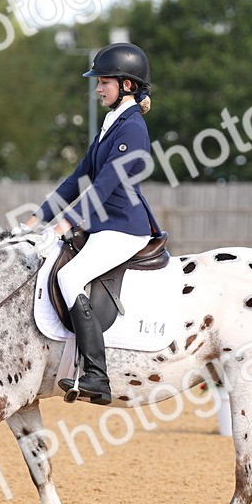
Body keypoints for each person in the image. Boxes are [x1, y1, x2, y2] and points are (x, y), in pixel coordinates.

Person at [24, 43, 163, 406]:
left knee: (68, 277)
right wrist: (37, 217)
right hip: (102, 225)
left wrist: (61, 225)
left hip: (124, 227)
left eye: (104, 82)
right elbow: (76, 178)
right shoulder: (111, 124)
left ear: (127, 85)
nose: (98, 88)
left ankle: (96, 377)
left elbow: (103, 187)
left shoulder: (133, 129)